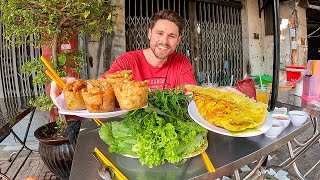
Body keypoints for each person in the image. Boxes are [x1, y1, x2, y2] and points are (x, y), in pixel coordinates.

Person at [50, 9, 197, 100]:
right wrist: (76, 84)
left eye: (171, 36)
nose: (164, 41)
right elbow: (102, 85)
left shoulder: (181, 62)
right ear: (149, 33)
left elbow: (192, 95)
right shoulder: (128, 61)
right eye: (159, 33)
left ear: (178, 40)